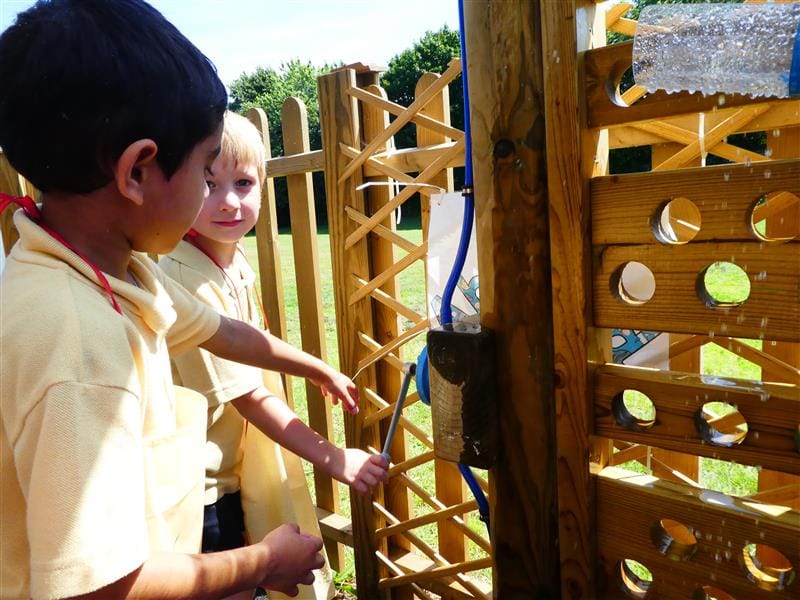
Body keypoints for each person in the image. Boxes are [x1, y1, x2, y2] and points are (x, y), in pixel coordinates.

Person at [0, 1, 350, 598]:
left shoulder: (114, 272)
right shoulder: (78, 340)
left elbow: (221, 331)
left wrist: (313, 366)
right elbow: (99, 586)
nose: (214, 192)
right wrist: (261, 562)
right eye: (206, 168)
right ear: (137, 171)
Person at [160, 110, 389, 599]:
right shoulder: (183, 276)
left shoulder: (230, 258)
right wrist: (335, 458)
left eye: (243, 183)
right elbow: (248, 397)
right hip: (194, 487)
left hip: (228, 470)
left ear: (264, 187)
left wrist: (317, 367)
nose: (227, 202)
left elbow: (246, 339)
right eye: (207, 183)